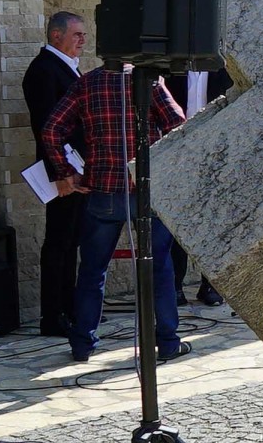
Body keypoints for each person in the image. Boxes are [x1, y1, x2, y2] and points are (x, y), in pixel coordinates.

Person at [40, 65, 189, 363]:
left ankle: (83, 344)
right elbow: (178, 123)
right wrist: (161, 163)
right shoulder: (150, 80)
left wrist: (66, 172)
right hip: (146, 189)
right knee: (159, 268)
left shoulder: (87, 83)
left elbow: (51, 129)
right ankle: (168, 342)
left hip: (104, 190)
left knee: (93, 271)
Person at [21, 10, 88, 338]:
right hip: (63, 170)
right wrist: (60, 174)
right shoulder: (44, 70)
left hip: (77, 167)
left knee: (71, 240)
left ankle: (69, 307)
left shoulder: (67, 67)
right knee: (58, 242)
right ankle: (53, 315)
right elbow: (46, 127)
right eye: (76, 34)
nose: (82, 41)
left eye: (83, 35)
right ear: (56, 35)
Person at [163, 68, 234, 306]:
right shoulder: (172, 73)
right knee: (177, 223)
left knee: (214, 222)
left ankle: (211, 285)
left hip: (215, 155)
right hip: (179, 154)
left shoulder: (224, 74)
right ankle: (175, 285)